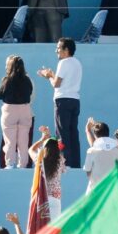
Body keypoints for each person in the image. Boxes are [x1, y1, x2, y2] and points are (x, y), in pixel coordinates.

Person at [37, 37, 82, 168]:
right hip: (75, 100)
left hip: (63, 100)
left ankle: (64, 163)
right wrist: (52, 75)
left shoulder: (63, 63)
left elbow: (57, 84)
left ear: (66, 50)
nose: (56, 50)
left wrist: (49, 75)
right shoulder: (77, 63)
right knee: (73, 132)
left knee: (62, 133)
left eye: (58, 48)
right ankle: (75, 163)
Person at [0, 55, 34, 169]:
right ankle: (22, 164)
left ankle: (10, 164)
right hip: (25, 109)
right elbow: (30, 92)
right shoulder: (27, 79)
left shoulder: (7, 79)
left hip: (10, 110)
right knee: (23, 140)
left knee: (9, 140)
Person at [29, 126, 69, 220]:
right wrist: (51, 139)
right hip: (56, 199)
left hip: (42, 198)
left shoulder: (40, 160)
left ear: (45, 148)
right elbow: (59, 147)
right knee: (53, 230)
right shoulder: (60, 160)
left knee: (42, 230)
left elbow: (31, 150)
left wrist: (42, 139)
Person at [83, 119, 118, 193]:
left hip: (94, 192)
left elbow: (88, 172)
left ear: (95, 135)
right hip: (111, 193)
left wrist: (88, 130)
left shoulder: (91, 151)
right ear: (108, 133)